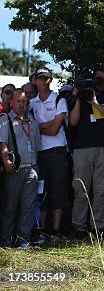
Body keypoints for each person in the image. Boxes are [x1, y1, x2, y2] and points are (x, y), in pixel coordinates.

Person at [69, 69, 104, 238]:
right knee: (81, 188)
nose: (98, 83)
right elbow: (73, 122)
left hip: (103, 148)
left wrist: (95, 103)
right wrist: (77, 97)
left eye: (101, 80)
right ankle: (79, 227)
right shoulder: (81, 96)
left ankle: (98, 226)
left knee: (101, 190)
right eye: (95, 80)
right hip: (82, 148)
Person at [30, 68, 69, 246]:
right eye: (39, 78)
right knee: (41, 191)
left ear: (50, 80)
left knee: (58, 190)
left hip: (58, 150)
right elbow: (35, 128)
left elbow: (54, 130)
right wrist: (46, 125)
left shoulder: (59, 99)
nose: (42, 81)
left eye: (45, 78)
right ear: (35, 81)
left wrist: (40, 126)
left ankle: (56, 231)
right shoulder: (31, 103)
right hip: (40, 152)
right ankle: (41, 230)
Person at [0, 89, 41, 248]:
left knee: (28, 207)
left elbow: (37, 147)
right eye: (18, 101)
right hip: (14, 171)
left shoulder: (33, 122)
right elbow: (2, 143)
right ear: (12, 102)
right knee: (10, 207)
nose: (21, 104)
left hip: (31, 169)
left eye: (24, 101)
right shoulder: (5, 119)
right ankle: (6, 243)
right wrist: (6, 162)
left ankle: (23, 242)